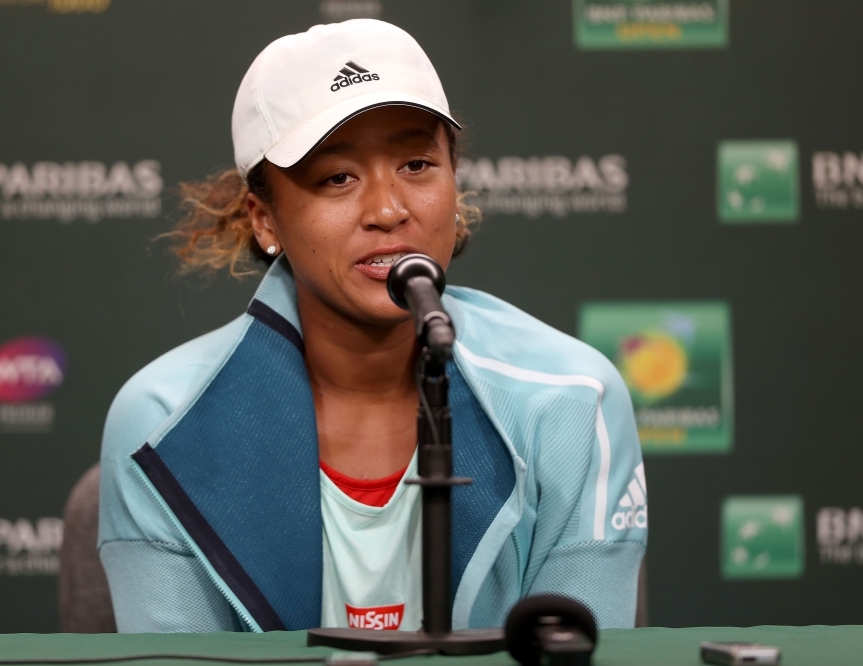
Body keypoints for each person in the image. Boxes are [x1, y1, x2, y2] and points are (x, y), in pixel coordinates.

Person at [98, 19, 646, 634]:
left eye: (416, 164)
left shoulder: (572, 399)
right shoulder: (161, 422)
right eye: (338, 177)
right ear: (265, 218)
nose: (388, 210)